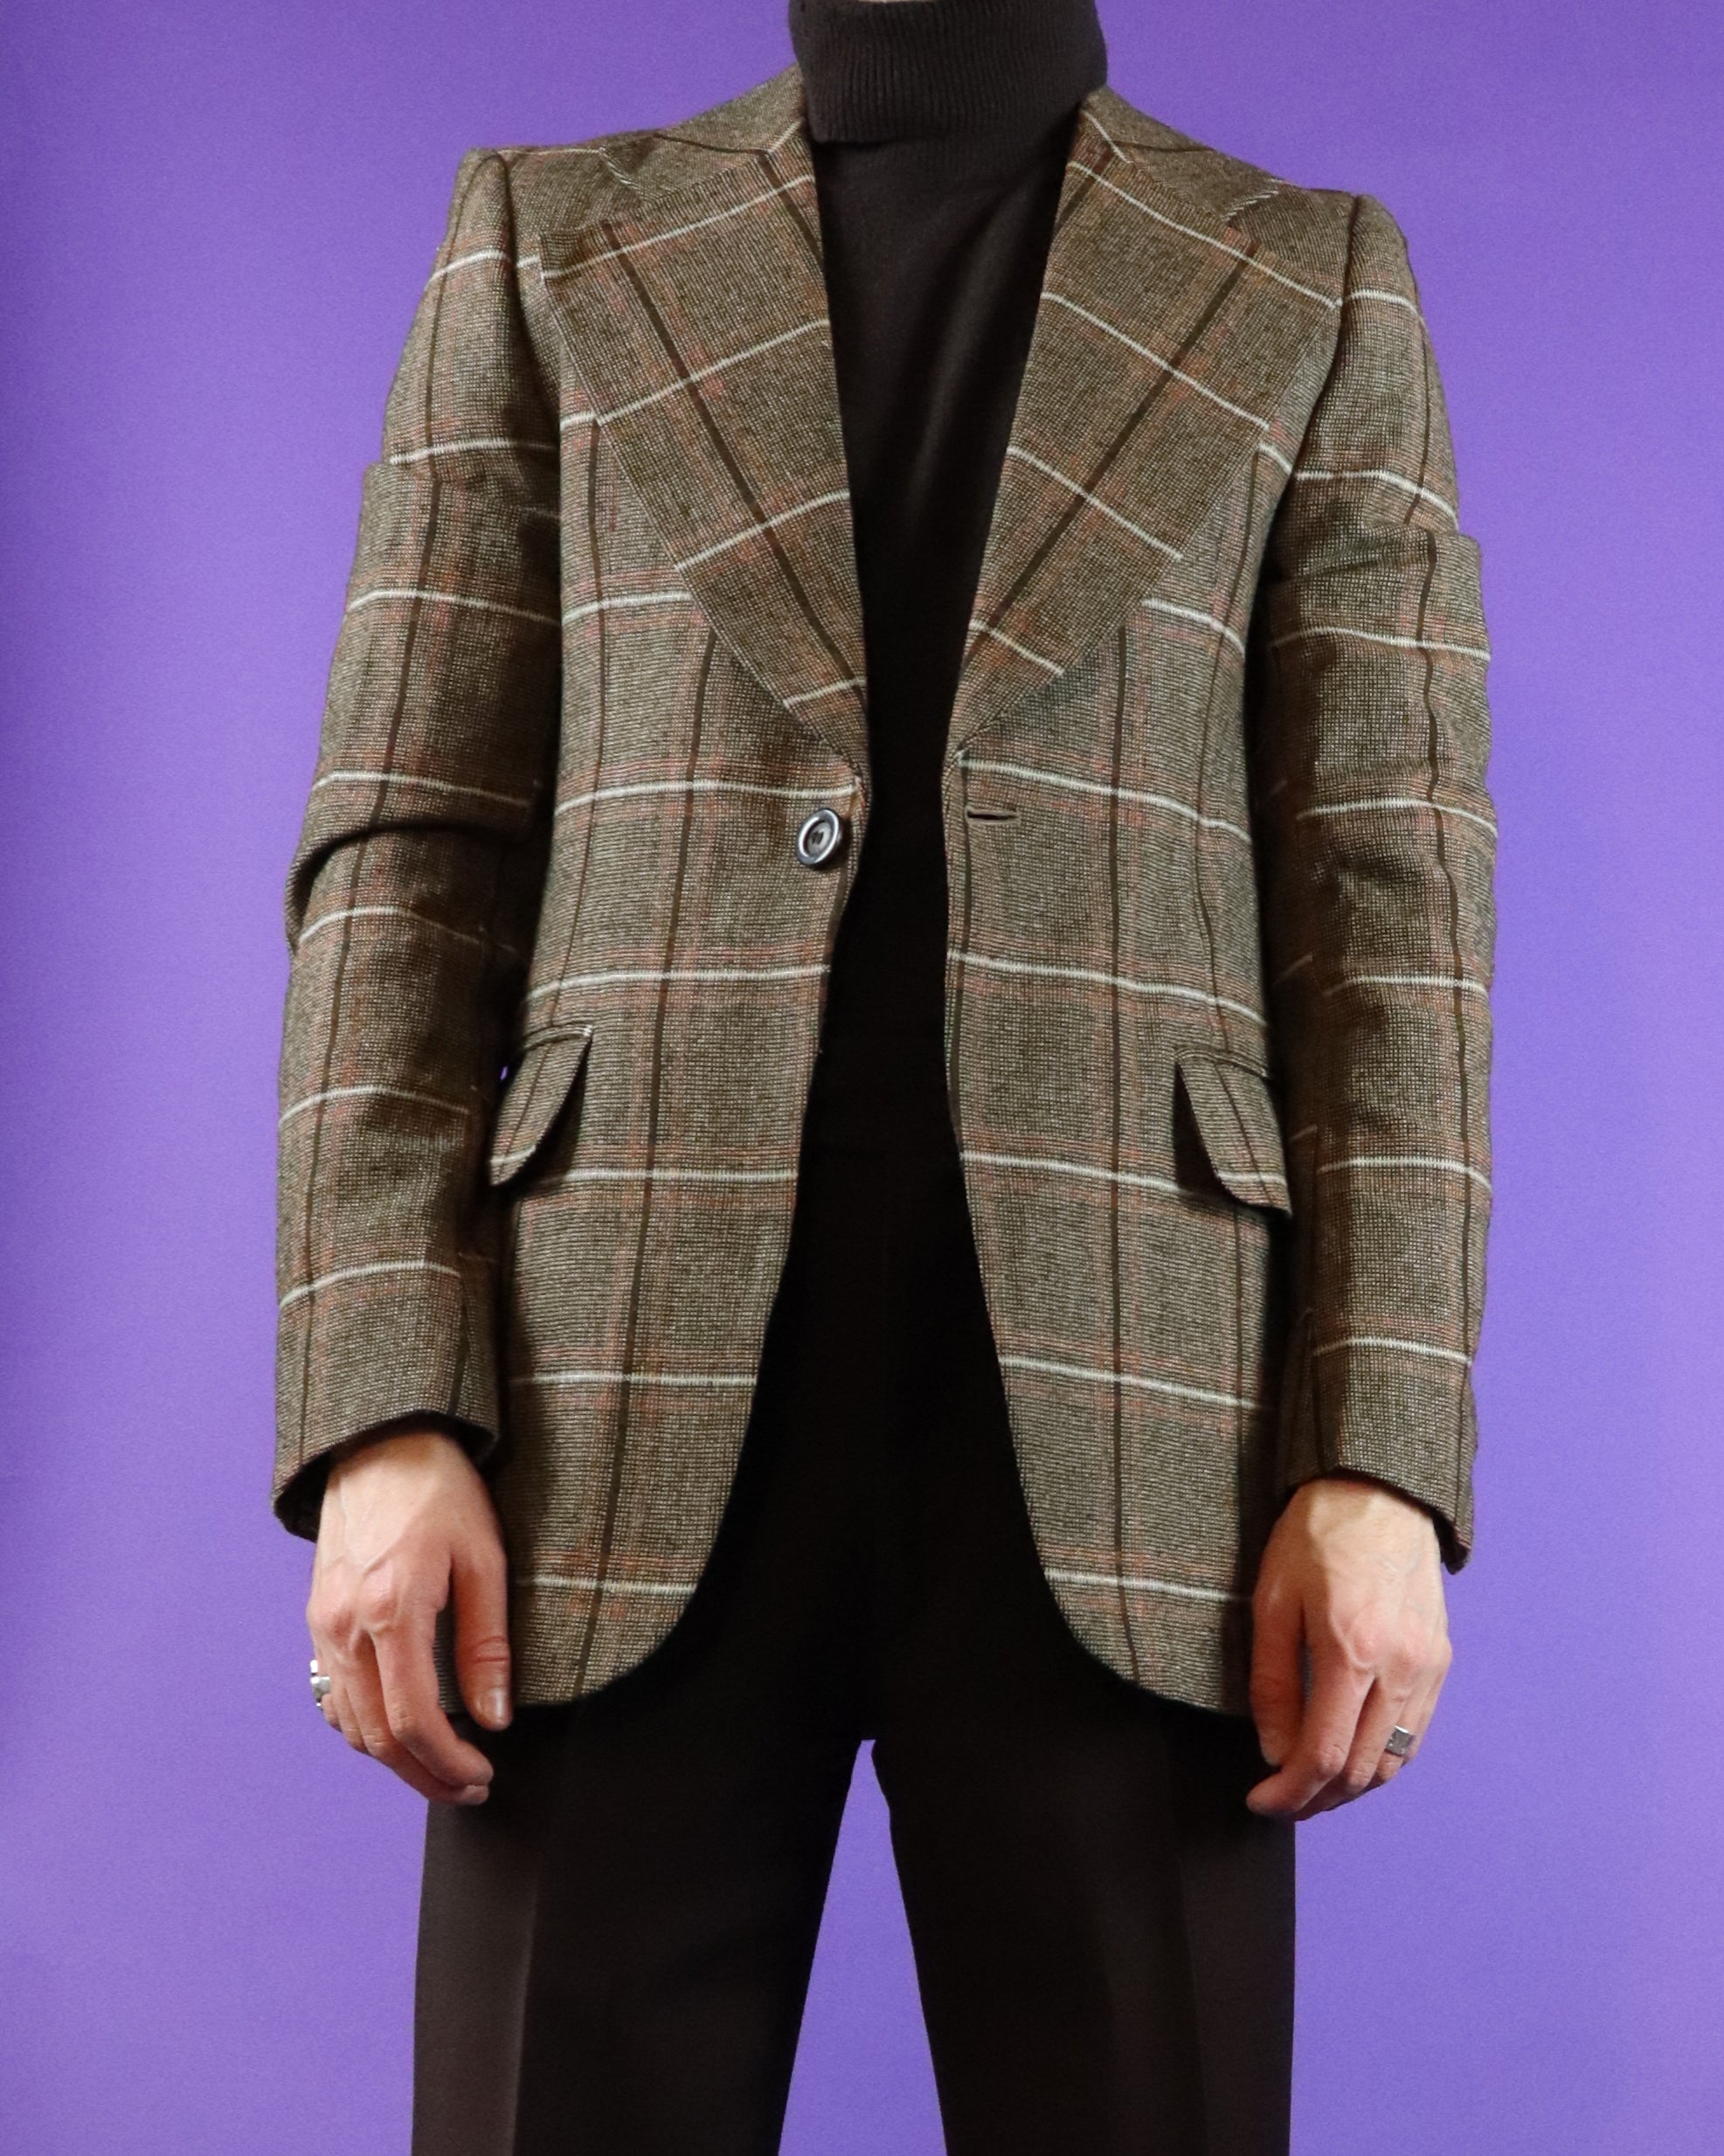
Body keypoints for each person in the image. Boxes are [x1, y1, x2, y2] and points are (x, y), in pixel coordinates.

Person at [273, 1, 1494, 2148]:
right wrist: (383, 1407)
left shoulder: (1304, 281)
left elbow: (1390, 917)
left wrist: (1380, 1456)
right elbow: (409, 850)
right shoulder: (548, 246)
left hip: (1139, 1441)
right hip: (597, 1419)